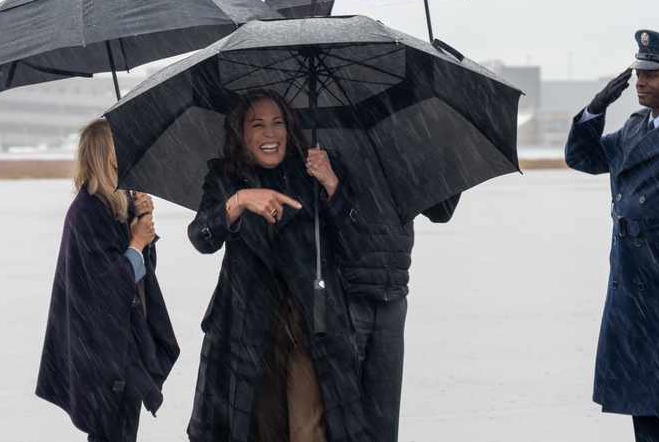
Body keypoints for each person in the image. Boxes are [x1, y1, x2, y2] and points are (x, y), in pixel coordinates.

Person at [186, 90, 372, 442]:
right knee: (262, 432)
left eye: (278, 123)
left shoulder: (316, 171)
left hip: (313, 328)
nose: (270, 134)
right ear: (241, 133)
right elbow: (201, 237)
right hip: (250, 332)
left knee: (310, 432)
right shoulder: (225, 180)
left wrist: (332, 185)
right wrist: (239, 202)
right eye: (258, 125)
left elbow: (357, 246)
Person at [565, 30, 659, 442]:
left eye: (652, 72)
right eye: (637, 72)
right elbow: (581, 158)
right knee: (646, 417)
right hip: (634, 300)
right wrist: (594, 111)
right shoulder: (632, 130)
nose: (640, 81)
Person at [37, 118, 179, 442]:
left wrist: (141, 224)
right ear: (110, 157)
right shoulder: (88, 212)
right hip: (102, 351)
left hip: (120, 346)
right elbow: (108, 289)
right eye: (121, 143)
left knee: (122, 431)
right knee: (112, 433)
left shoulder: (113, 207)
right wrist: (137, 243)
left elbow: (142, 274)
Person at [343, 193, 459, 442]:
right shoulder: (337, 152)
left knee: (384, 424)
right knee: (342, 420)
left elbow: (441, 211)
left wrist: (448, 156)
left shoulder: (405, 156)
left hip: (392, 294)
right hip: (346, 295)